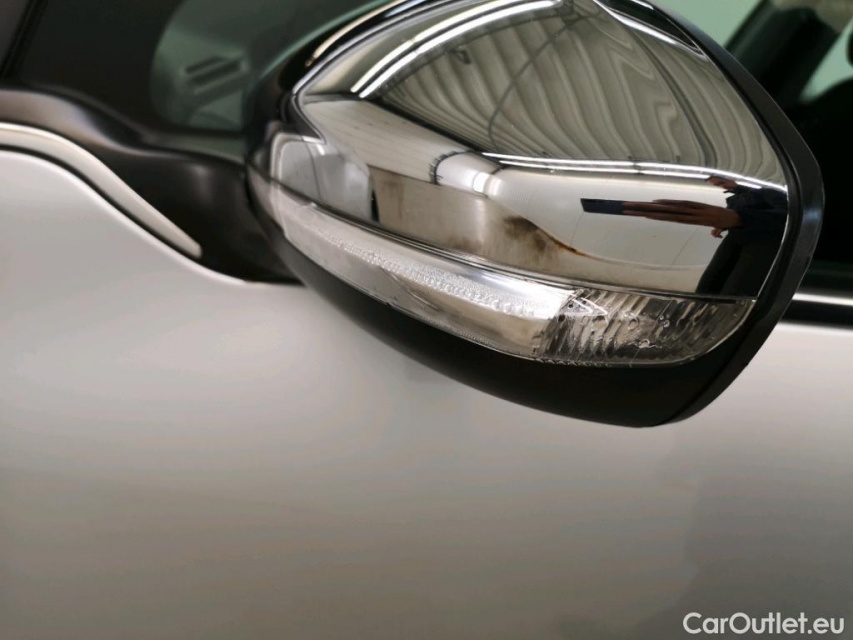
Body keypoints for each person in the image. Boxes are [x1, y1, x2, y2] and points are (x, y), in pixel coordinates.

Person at [625, 176, 787, 296]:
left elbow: (787, 216)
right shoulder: (733, 200)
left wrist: (738, 218)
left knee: (736, 288)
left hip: (763, 242)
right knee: (710, 281)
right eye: (717, 185)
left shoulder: (766, 193)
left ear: (731, 180)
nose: (721, 186)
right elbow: (729, 218)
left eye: (721, 182)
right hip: (735, 238)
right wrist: (722, 226)